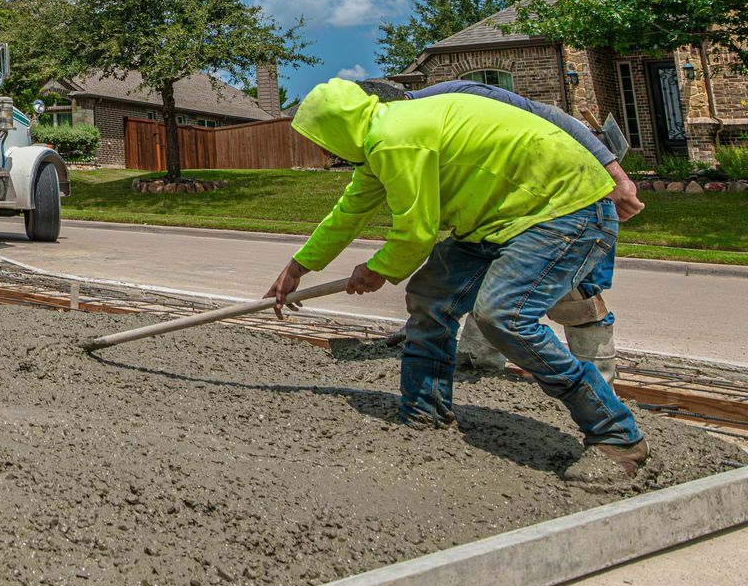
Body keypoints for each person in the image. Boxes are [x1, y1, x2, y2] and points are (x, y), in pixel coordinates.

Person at [264, 78, 647, 482]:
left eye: (320, 139)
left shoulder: (395, 137)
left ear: (336, 128)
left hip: (565, 210)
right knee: (431, 297)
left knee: (505, 316)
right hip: (497, 220)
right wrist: (298, 268)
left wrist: (376, 270)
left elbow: (415, 234)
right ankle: (424, 412)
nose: (322, 150)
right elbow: (346, 215)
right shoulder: (379, 142)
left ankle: (617, 436)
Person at [359, 78, 639, 378]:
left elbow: (553, 116)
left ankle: (598, 379)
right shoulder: (410, 136)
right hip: (510, 197)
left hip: (569, 180)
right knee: (490, 272)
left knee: (576, 292)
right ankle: (476, 363)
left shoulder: (459, 95)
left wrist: (618, 178)